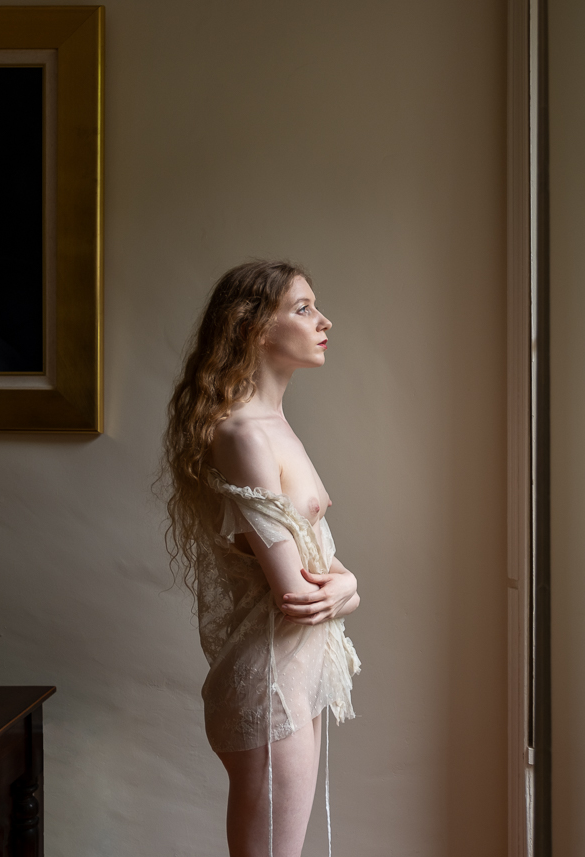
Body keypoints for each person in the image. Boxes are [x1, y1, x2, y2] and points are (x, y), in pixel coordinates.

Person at [162, 260, 362, 857]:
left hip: (295, 676)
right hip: (271, 682)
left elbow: (324, 567)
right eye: (303, 309)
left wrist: (348, 584)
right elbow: (298, 593)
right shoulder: (244, 435)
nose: (324, 321)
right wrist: (349, 588)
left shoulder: (274, 425)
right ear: (252, 327)